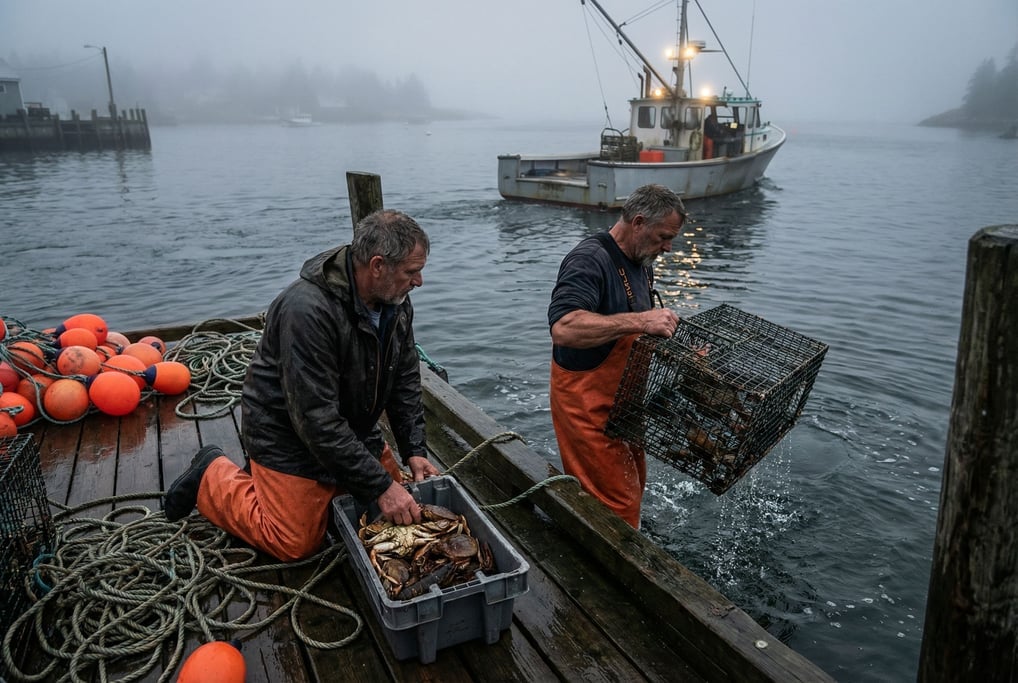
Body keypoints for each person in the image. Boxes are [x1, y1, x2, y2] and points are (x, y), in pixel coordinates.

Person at [163, 209, 440, 561]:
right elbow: (315, 418)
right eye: (412, 272)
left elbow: (404, 377)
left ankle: (302, 484)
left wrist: (414, 448)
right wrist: (380, 484)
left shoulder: (395, 302)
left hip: (351, 430)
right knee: (295, 542)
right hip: (287, 436)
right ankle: (212, 475)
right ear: (377, 266)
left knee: (398, 510)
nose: (419, 282)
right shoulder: (307, 311)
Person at [548, 184, 686, 528]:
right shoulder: (589, 260)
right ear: (638, 222)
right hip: (586, 406)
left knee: (633, 487)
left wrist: (681, 351)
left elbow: (636, 330)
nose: (668, 247)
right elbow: (564, 327)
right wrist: (642, 320)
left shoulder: (641, 260)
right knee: (616, 505)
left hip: (624, 403)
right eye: (663, 237)